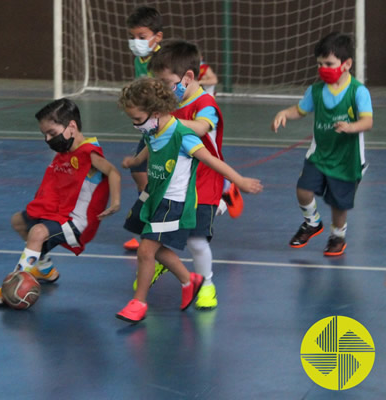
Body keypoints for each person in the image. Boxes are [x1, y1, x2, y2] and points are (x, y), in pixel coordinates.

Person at [117, 77, 263, 323]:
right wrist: (134, 161)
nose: (135, 125)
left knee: (145, 250)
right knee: (157, 248)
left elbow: (211, 160)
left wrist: (238, 180)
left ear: (155, 112)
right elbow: (150, 147)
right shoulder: (153, 128)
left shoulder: (182, 135)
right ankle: (189, 280)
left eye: (137, 120)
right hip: (154, 196)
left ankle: (139, 302)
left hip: (172, 203)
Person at [0, 98, 121, 306]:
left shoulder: (88, 153)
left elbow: (113, 172)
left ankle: (15, 283)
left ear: (71, 127)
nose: (48, 139)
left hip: (75, 220)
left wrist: (116, 202)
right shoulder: (66, 151)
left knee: (37, 232)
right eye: (45, 135)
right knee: (19, 221)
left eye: (52, 134)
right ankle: (44, 268)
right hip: (58, 212)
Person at [146, 39, 239, 309]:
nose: (161, 89)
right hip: (173, 179)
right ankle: (168, 264)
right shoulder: (168, 102)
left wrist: (168, 122)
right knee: (156, 233)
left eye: (165, 83)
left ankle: (207, 284)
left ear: (187, 77)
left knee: (197, 239)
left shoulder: (206, 104)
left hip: (204, 180)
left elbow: (200, 128)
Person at [271, 32, 373, 256]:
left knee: (339, 204)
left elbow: (367, 121)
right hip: (319, 154)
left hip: (347, 159)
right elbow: (300, 110)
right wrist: (284, 113)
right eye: (320, 64)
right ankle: (312, 222)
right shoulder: (315, 90)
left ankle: (338, 235)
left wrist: (351, 127)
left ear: (346, 65)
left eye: (329, 63)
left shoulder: (358, 91)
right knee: (303, 190)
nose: (323, 68)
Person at [123, 5, 164, 252]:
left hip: (164, 127)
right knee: (140, 173)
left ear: (157, 36)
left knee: (165, 179)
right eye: (133, 37)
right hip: (148, 127)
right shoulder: (141, 58)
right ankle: (146, 225)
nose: (136, 42)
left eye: (141, 37)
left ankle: (225, 191)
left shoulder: (163, 61)